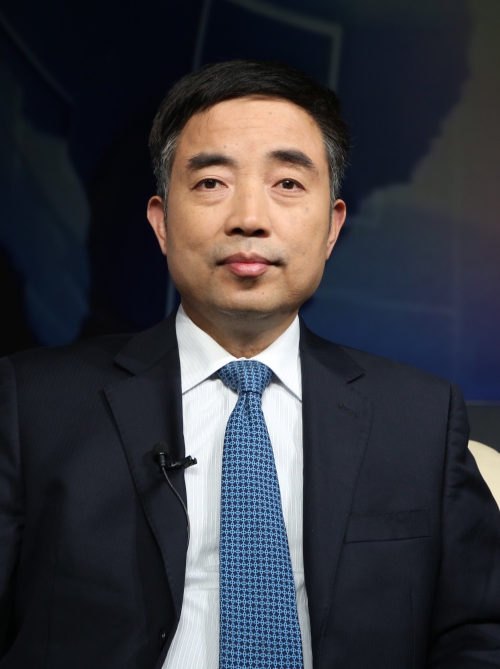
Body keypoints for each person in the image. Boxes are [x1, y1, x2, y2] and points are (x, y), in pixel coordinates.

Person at [1, 60, 500, 669]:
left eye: (287, 183)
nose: (249, 219)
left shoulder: (420, 418)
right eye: (212, 182)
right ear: (161, 223)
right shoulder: (32, 404)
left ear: (332, 228)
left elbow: (480, 630)